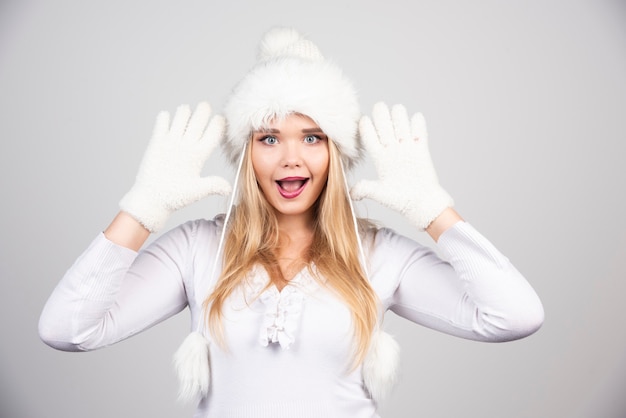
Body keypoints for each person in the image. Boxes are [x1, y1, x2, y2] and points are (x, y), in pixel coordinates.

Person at [38, 27, 544, 418]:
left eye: (312, 137)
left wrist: (434, 210)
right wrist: (142, 207)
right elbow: (67, 329)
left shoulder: (380, 254)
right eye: (269, 138)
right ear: (245, 154)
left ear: (336, 152)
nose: (290, 159)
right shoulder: (198, 248)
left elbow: (514, 316)